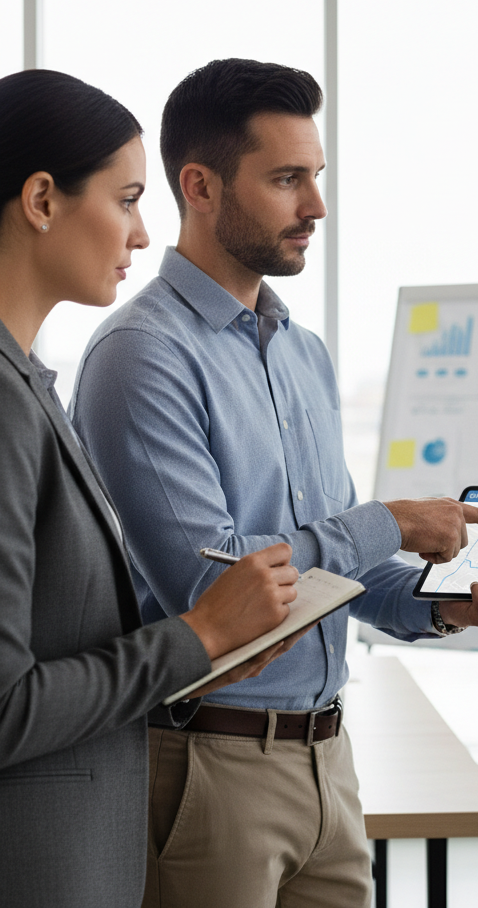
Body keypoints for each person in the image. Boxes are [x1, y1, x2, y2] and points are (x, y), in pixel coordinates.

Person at [71, 58, 478, 908]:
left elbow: (330, 576)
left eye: (315, 178)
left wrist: (436, 604)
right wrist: (386, 522)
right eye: (287, 180)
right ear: (200, 186)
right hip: (206, 768)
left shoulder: (303, 352)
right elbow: (218, 587)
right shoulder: (141, 356)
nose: (315, 207)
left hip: (330, 762)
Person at [0, 69, 311, 908]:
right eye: (128, 198)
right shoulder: (14, 399)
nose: (142, 235)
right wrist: (199, 636)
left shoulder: (31, 383)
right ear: (40, 200)